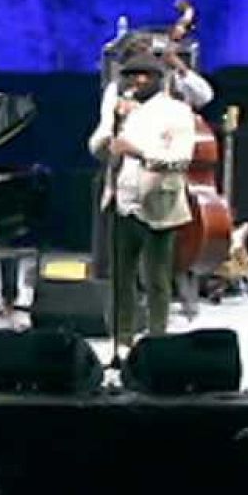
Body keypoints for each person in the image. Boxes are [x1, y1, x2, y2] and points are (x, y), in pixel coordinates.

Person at [87, 52, 198, 347]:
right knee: (121, 279)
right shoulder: (123, 110)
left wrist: (138, 152)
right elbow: (98, 147)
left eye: (145, 76)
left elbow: (181, 160)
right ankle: (123, 340)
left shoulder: (177, 111)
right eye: (133, 75)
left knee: (157, 281)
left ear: (159, 80)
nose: (138, 81)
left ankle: (157, 342)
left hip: (159, 204)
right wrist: (109, 129)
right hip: (122, 204)